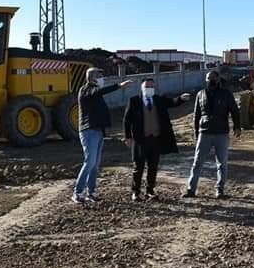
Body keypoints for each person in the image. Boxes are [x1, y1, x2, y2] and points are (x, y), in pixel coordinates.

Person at [123, 79, 191, 201]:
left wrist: (181, 98)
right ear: (141, 88)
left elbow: (172, 102)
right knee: (138, 167)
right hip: (140, 140)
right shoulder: (134, 101)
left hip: (155, 139)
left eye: (151, 87)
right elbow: (127, 120)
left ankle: (150, 191)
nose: (149, 89)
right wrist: (128, 136)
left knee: (153, 166)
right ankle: (136, 192)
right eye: (147, 86)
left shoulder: (158, 99)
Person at [73, 68, 131, 203]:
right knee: (89, 162)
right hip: (88, 131)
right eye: (99, 75)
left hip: (98, 131)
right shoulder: (86, 90)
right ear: (92, 77)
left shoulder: (94, 92)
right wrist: (119, 85)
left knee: (95, 164)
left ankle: (91, 192)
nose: (102, 77)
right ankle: (78, 192)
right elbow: (98, 91)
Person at [183, 70, 241, 199]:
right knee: (197, 162)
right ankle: (191, 189)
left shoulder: (226, 94)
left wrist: (237, 127)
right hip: (204, 133)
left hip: (221, 133)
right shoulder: (200, 94)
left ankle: (220, 190)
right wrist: (196, 134)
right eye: (208, 78)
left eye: (213, 78)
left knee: (222, 163)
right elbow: (196, 116)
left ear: (218, 79)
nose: (211, 80)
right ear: (206, 80)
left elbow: (235, 111)